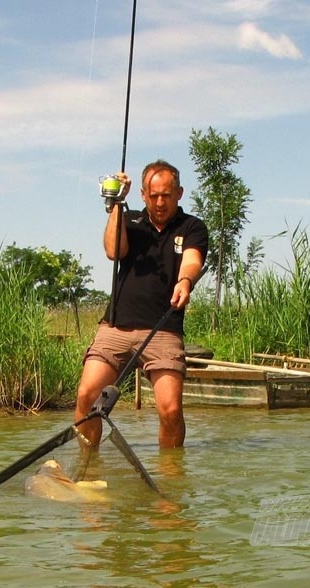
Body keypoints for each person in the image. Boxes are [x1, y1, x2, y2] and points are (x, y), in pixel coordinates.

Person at [75, 159, 208, 456]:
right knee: (87, 394)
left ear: (179, 193)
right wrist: (117, 205)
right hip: (116, 327)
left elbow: (192, 260)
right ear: (144, 196)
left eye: (166, 195)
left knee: (170, 409)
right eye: (154, 195)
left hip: (163, 329)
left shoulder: (192, 227)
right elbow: (113, 251)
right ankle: (87, 462)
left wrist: (185, 281)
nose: (160, 202)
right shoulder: (130, 220)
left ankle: (171, 471)